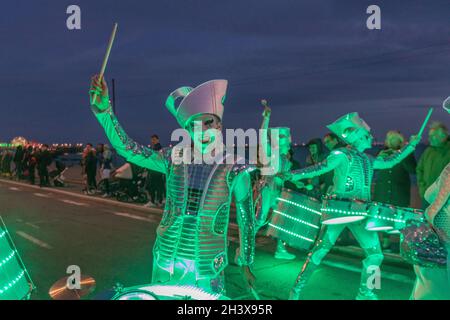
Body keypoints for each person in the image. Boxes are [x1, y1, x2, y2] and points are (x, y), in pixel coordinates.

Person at [89, 75, 256, 295]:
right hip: (167, 259)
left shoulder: (235, 166)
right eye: (194, 125)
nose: (203, 130)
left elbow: (247, 218)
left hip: (206, 265)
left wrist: (246, 261)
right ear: (187, 130)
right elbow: (128, 148)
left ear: (220, 124)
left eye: (209, 122)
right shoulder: (172, 158)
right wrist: (105, 112)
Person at [284, 112, 421, 300]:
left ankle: (367, 292)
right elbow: (319, 168)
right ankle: (296, 290)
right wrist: (293, 175)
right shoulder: (341, 155)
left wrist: (411, 145)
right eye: (367, 135)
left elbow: (391, 161)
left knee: (376, 255)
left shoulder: (368, 160)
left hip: (362, 212)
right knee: (320, 250)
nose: (372, 137)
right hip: (339, 210)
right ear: (357, 137)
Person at [254, 100, 296, 260]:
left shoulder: (285, 158)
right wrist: (266, 118)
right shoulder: (271, 153)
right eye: (286, 139)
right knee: (260, 219)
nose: (290, 142)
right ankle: (244, 248)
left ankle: (280, 249)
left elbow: (285, 176)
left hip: (278, 191)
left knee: (282, 218)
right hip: (267, 189)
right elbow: (262, 135)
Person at [373, 130, 417, 252]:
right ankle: (386, 241)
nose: (392, 141)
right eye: (390, 139)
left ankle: (402, 244)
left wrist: (403, 154)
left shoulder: (406, 153)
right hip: (383, 191)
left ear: (400, 141)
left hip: (399, 191)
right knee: (384, 216)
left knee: (400, 217)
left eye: (395, 139)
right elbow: (375, 168)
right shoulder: (382, 153)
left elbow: (413, 170)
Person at [417, 122, 450, 208]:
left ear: (443, 136)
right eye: (429, 136)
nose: (429, 138)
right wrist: (422, 188)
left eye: (433, 136)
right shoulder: (428, 151)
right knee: (425, 220)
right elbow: (419, 169)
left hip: (444, 201)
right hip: (427, 197)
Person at [144, 135, 166, 208]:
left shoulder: (157, 148)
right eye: (151, 140)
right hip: (158, 170)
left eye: (154, 139)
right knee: (159, 186)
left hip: (154, 170)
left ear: (157, 139)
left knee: (152, 186)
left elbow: (154, 158)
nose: (152, 141)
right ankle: (159, 201)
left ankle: (153, 201)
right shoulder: (159, 148)